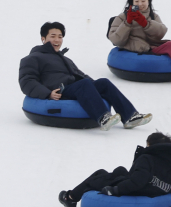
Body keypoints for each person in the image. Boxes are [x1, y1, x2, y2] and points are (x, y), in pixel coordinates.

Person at [19, 22, 153, 130]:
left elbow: (80, 75)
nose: (57, 40)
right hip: (60, 90)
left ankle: (130, 117)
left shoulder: (65, 59)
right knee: (84, 84)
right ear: (43, 39)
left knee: (103, 83)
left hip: (76, 87)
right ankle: (103, 118)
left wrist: (94, 87)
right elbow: (27, 81)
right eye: (53, 36)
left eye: (60, 36)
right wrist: (47, 93)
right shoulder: (32, 58)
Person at [57, 132, 171, 207]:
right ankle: (72, 197)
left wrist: (115, 190)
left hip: (132, 192)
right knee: (120, 170)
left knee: (100, 174)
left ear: (151, 147)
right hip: (145, 189)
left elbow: (137, 182)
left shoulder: (147, 159)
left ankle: (70, 197)